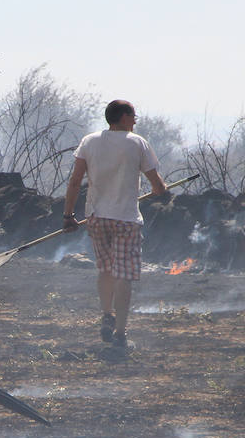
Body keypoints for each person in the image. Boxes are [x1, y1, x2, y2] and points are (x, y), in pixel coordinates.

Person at [62, 99, 168, 350]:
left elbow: (75, 181)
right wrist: (160, 189)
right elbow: (157, 185)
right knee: (124, 276)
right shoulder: (137, 143)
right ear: (123, 117)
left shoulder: (89, 142)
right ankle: (120, 332)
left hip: (96, 218)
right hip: (126, 219)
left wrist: (68, 216)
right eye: (133, 116)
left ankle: (107, 313)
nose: (135, 121)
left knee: (106, 269)